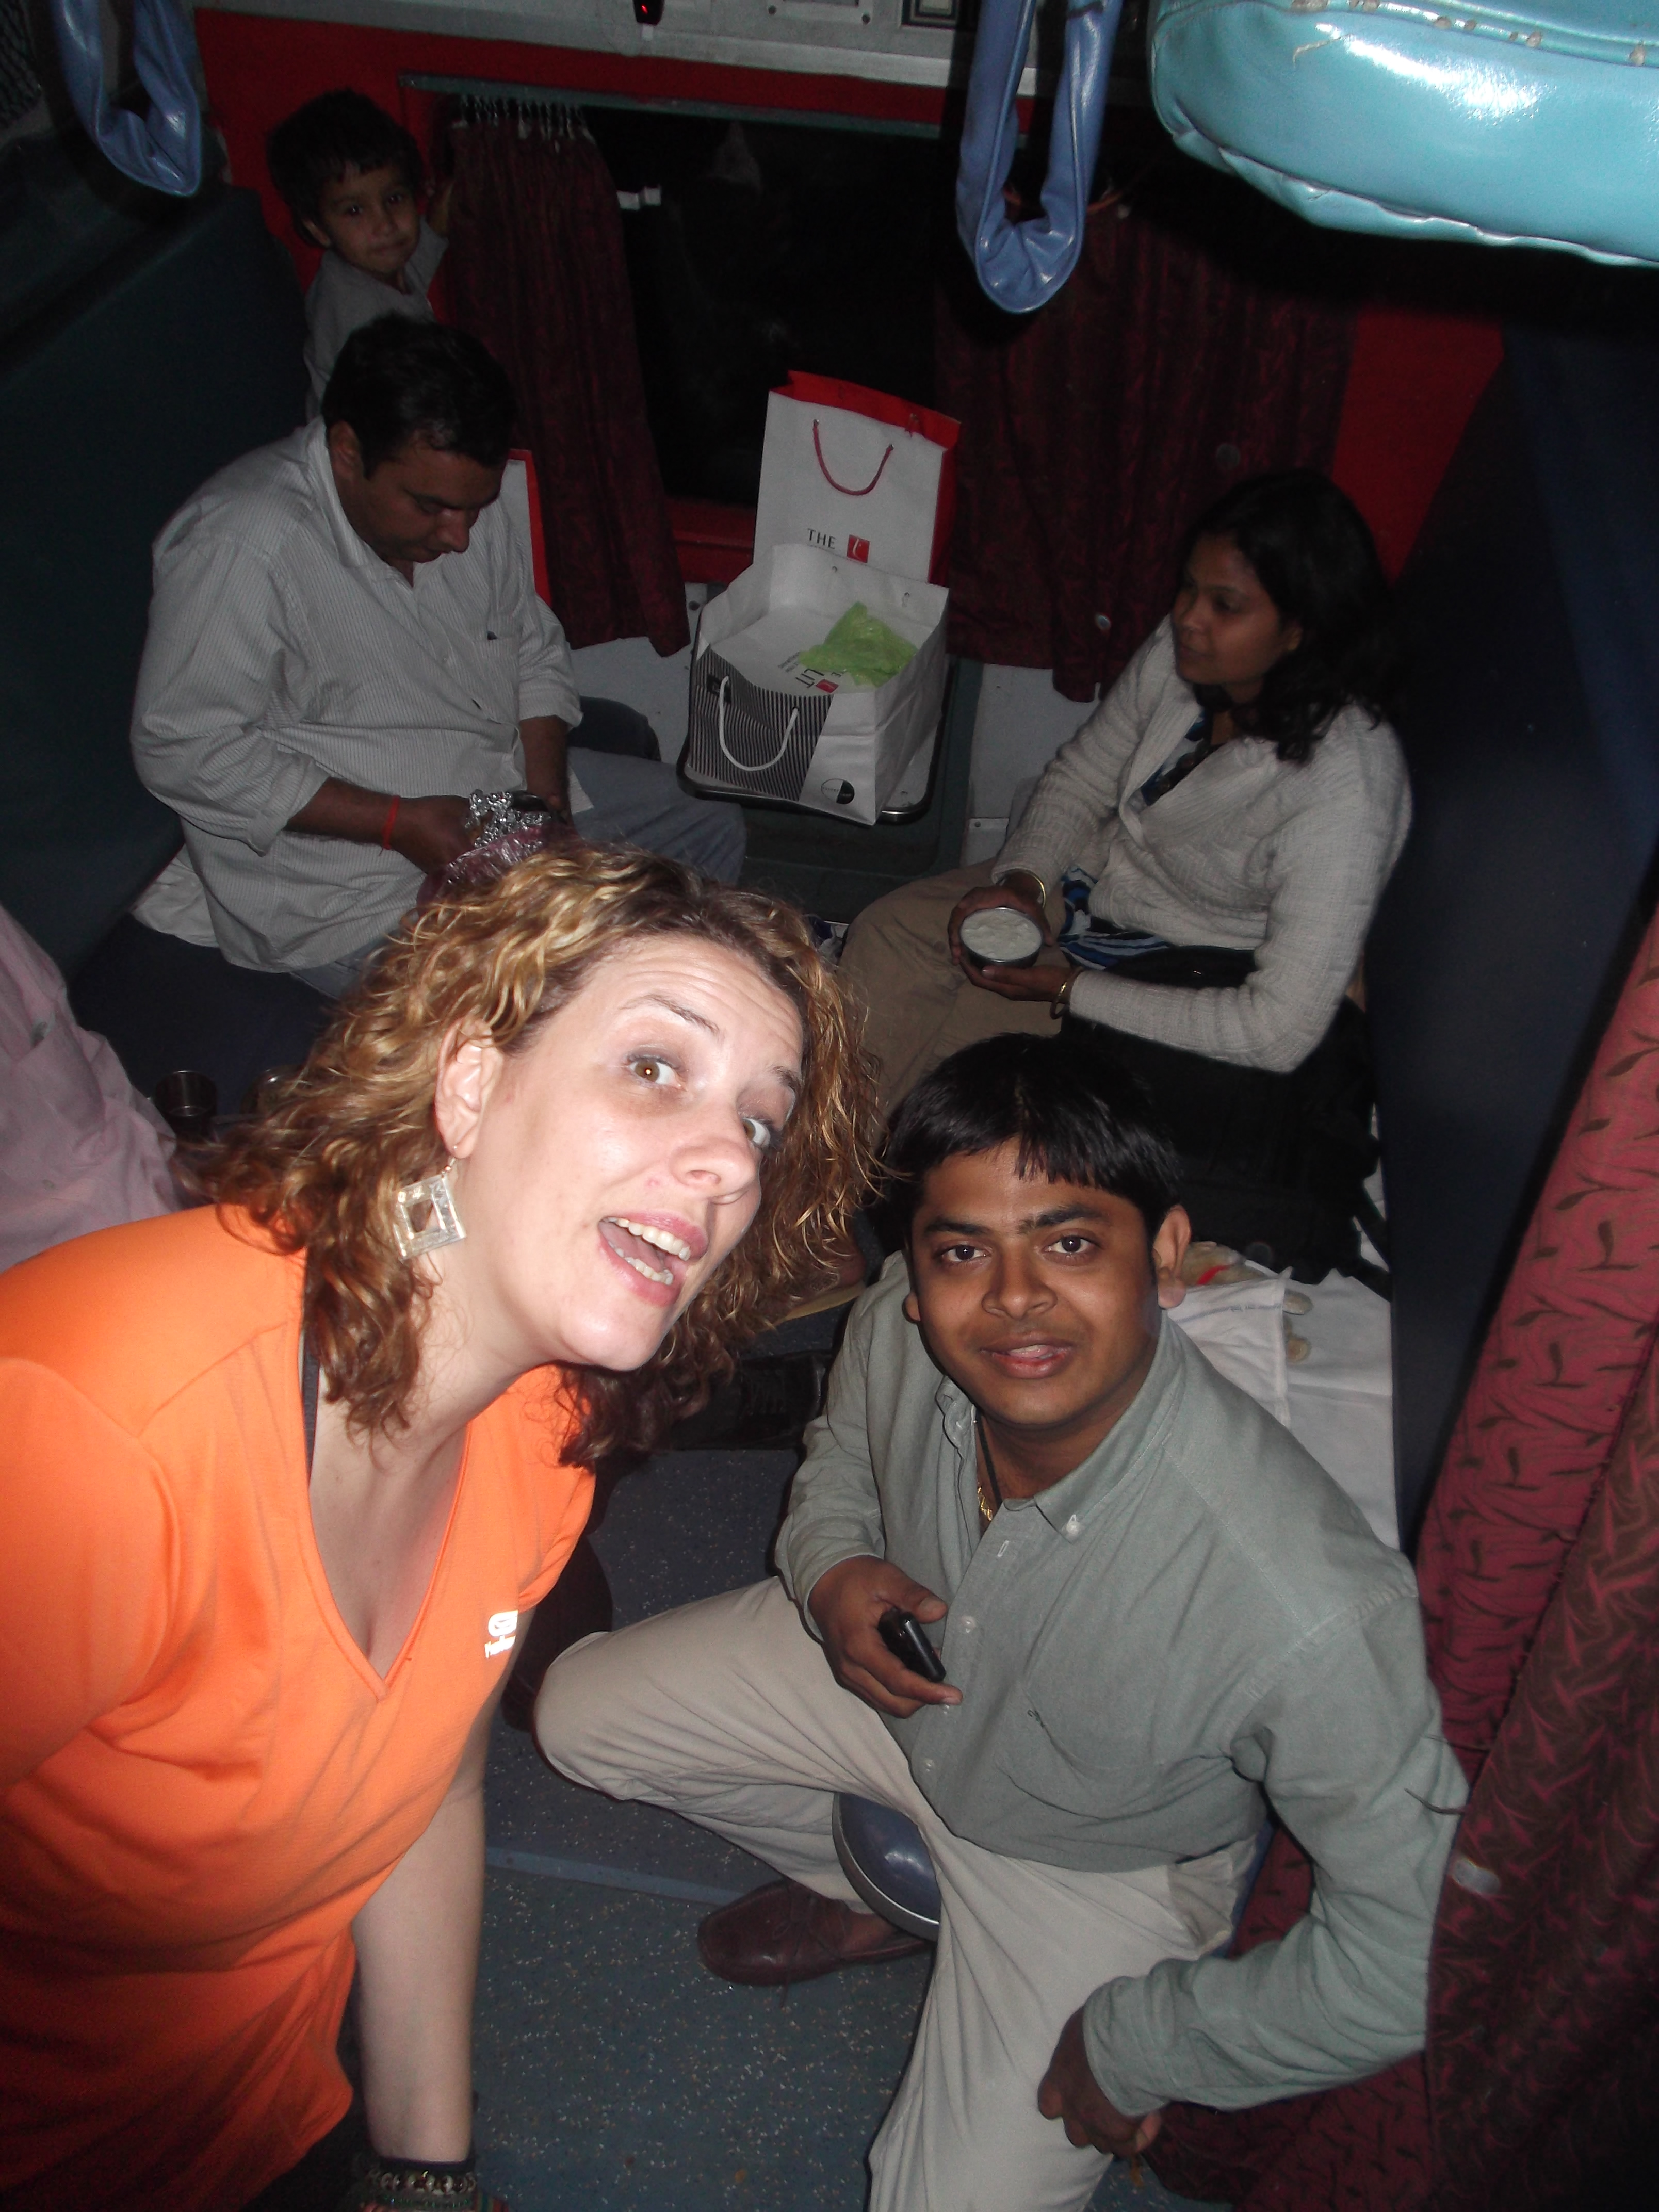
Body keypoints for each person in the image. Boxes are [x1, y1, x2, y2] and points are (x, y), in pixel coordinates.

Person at [0, 847, 875, 2212]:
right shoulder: (89, 1427)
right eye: (655, 1067)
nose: (724, 1164)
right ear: (468, 1084)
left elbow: (427, 1788)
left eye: (758, 1127)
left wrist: (423, 2171)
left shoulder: (542, 1423)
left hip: (272, 2107)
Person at [535, 1030, 1465, 2212]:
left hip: (1099, 1860)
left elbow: (1409, 1952)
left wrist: (1146, 2042)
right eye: (963, 1251)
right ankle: (880, 1900)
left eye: (1069, 1242)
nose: (1015, 1296)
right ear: (917, 1271)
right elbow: (841, 1450)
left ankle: (966, 1928)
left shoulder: (1305, 1599)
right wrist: (830, 1569)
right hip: (898, 1692)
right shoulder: (897, 1320)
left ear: (1164, 1252)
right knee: (576, 1716)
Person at [130, 317, 744, 997]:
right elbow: (184, 747)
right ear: (347, 452)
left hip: (495, 805)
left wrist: (548, 813)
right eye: (430, 508)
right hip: (350, 882)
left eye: (474, 509)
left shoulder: (463, 500)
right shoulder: (243, 549)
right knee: (548, 998)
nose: (459, 537)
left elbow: (531, 646)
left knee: (707, 832)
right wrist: (397, 823)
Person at [839, 471, 1408, 1116]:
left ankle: (854, 1159)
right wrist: (1025, 882)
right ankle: (818, 1155)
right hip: (1088, 885)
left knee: (949, 1067)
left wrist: (1067, 988)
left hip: (1178, 964)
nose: (1188, 618)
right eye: (1188, 587)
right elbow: (1085, 776)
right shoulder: (1184, 655)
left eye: (1226, 605)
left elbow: (1277, 1031)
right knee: (886, 936)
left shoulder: (1345, 788)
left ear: (1300, 628)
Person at [268, 88, 451, 414]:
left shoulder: (367, 265)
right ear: (318, 229)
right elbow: (396, 418)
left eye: (394, 199)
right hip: (368, 435)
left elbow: (413, 269)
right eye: (354, 211)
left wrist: (437, 224)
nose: (385, 225)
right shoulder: (358, 317)